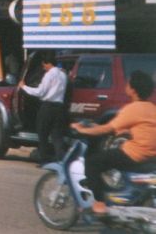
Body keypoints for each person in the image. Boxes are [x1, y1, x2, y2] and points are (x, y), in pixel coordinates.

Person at [72, 70, 156, 216]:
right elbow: (145, 129)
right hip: (151, 155)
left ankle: (99, 203)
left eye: (128, 82)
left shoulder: (133, 108)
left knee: (93, 163)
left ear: (133, 89)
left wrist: (82, 130)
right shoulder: (152, 108)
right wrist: (128, 133)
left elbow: (107, 129)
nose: (126, 84)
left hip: (135, 154)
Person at [18, 50, 68, 164]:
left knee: (43, 134)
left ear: (47, 63)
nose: (43, 67)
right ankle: (61, 160)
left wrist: (24, 87)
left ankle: (45, 160)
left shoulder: (49, 75)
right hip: (59, 108)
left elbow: (40, 92)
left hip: (48, 107)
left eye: (43, 65)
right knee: (57, 136)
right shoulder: (63, 75)